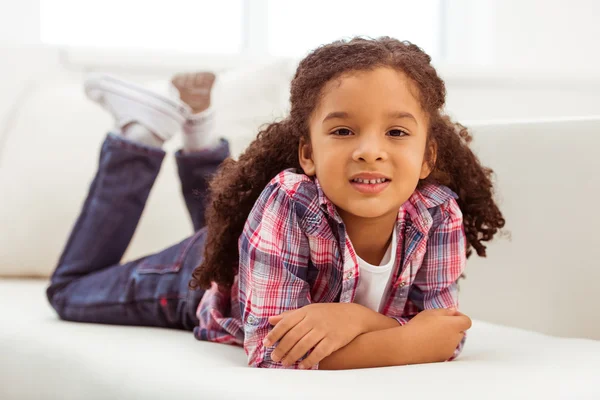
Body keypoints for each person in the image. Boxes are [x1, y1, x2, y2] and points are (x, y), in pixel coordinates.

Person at [46, 37, 505, 370]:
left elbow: (443, 332)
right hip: (206, 273)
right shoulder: (289, 198)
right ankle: (137, 139)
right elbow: (270, 350)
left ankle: (199, 135)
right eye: (343, 131)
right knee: (68, 292)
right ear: (308, 152)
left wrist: (356, 318)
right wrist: (402, 342)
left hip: (259, 247)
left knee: (224, 214)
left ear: (427, 157)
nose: (370, 150)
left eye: (397, 132)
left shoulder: (439, 210)